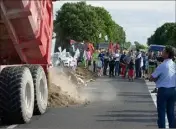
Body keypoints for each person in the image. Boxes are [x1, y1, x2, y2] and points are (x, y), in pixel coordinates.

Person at [149, 46, 176, 128]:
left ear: (167, 54)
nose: (161, 53)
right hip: (173, 90)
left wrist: (156, 79)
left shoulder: (162, 65)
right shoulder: (174, 65)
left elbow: (151, 78)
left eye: (163, 52)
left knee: (161, 112)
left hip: (163, 90)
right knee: (171, 112)